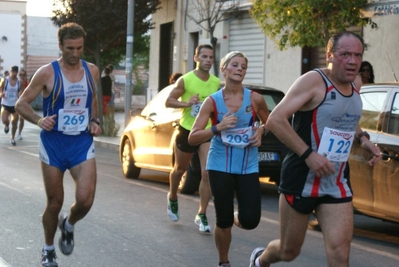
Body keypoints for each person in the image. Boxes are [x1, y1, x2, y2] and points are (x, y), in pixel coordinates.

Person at [248, 31, 382, 267]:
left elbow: (344, 115)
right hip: (302, 177)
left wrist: (363, 138)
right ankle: (261, 260)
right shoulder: (313, 81)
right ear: (329, 55)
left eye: (357, 55)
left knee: (341, 254)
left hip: (336, 180)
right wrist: (308, 155)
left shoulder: (356, 84)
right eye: (345, 54)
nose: (352, 61)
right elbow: (276, 120)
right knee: (289, 251)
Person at [15, 22, 102, 267]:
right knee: (54, 202)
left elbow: (93, 97)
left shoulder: (91, 71)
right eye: (69, 48)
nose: (75, 54)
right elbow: (22, 104)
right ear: (60, 46)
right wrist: (39, 119)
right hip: (53, 145)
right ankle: (48, 248)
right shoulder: (46, 73)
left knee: (85, 200)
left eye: (79, 48)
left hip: (81, 144)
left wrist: (94, 120)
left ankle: (69, 223)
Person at [189, 51, 269, 267]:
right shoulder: (212, 102)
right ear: (224, 69)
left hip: (247, 165)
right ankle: (224, 262)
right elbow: (193, 136)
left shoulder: (255, 99)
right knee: (223, 221)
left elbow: (270, 122)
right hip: (219, 164)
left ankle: (236, 214)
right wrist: (218, 127)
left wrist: (261, 131)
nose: (240, 69)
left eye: (243, 66)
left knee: (250, 220)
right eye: (234, 65)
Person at [165, 44, 220, 233]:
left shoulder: (215, 82)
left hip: (205, 132)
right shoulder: (185, 80)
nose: (208, 60)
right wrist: (186, 103)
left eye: (211, 57)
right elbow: (168, 101)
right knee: (179, 169)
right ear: (196, 58)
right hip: (187, 130)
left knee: (207, 173)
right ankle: (172, 197)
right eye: (204, 56)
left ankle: (202, 214)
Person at [0, 66, 25, 146]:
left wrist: (20, 96)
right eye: (12, 72)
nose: (13, 73)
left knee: (14, 122)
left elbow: (22, 91)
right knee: (4, 120)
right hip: (5, 103)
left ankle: (12, 138)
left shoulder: (20, 82)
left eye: (15, 72)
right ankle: (6, 125)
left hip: (15, 105)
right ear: (10, 72)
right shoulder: (5, 80)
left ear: (16, 72)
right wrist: (1, 93)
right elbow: (0, 88)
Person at [16, 68, 29, 140]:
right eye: (20, 75)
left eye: (23, 75)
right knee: (14, 119)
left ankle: (19, 133)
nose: (22, 76)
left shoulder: (27, 83)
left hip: (23, 103)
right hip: (14, 103)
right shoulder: (15, 82)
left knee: (22, 119)